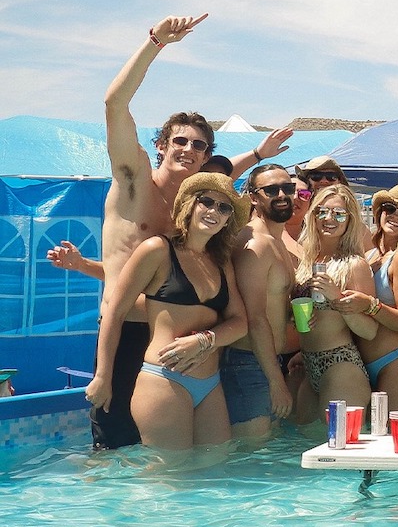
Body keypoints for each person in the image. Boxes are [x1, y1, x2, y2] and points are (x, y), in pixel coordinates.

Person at [96, 13, 214, 449]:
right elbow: (114, 105)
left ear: (206, 158)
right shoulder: (134, 179)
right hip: (124, 330)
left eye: (198, 145)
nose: (188, 149)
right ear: (161, 145)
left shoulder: (195, 207)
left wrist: (258, 152)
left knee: (170, 454)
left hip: (172, 338)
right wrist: (155, 43)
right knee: (114, 447)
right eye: (179, 141)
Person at [86, 174, 248, 450]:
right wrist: (103, 376)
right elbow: (115, 311)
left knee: (217, 472)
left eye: (224, 208)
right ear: (188, 204)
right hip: (165, 379)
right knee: (168, 480)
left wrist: (204, 339)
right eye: (206, 202)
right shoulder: (157, 249)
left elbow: (240, 322)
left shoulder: (220, 262)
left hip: (210, 384)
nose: (214, 212)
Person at [219, 164, 300, 439]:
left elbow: (272, 306)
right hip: (249, 363)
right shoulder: (255, 245)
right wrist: (276, 381)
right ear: (253, 197)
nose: (282, 195)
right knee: (252, 459)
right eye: (271, 190)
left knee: (264, 457)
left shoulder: (277, 241)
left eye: (288, 188)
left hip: (266, 362)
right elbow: (254, 317)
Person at [334, 183, 398, 415]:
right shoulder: (371, 254)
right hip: (364, 362)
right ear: (379, 212)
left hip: (396, 363)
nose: (395, 216)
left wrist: (370, 305)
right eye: (390, 208)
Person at [292, 183, 379, 421]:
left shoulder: (354, 265)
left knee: (337, 446)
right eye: (322, 211)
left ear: (350, 221)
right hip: (309, 363)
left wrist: (337, 298)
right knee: (304, 444)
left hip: (341, 365)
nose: (329, 218)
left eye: (339, 214)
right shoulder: (306, 261)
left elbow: (370, 330)